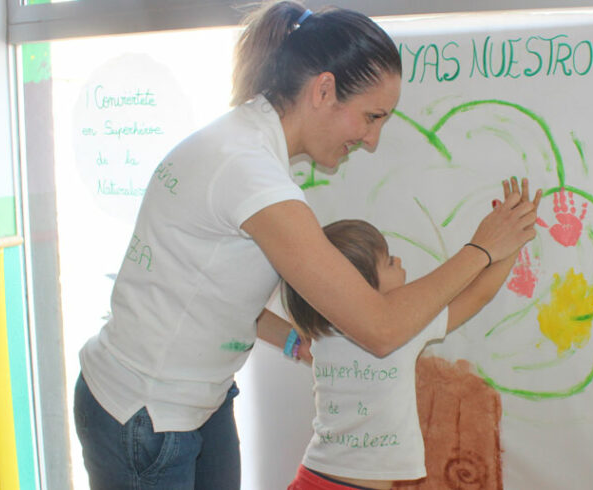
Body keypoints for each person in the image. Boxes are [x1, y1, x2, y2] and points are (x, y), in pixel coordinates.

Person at [72, 1, 540, 488]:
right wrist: (482, 249)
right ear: (323, 90)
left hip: (196, 402)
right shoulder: (250, 173)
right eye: (371, 116)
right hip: (144, 412)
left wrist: (298, 344)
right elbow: (380, 328)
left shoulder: (250, 148)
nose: (373, 139)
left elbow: (222, 297)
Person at [283, 181, 542, 490]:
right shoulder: (403, 326)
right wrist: (512, 242)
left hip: (313, 477)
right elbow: (479, 294)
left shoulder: (323, 327)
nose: (400, 262)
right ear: (361, 286)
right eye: (390, 262)